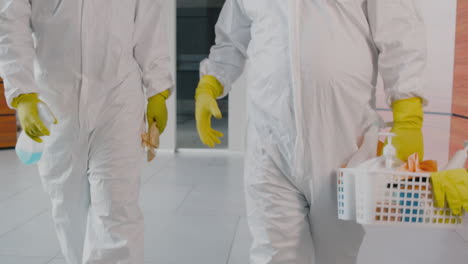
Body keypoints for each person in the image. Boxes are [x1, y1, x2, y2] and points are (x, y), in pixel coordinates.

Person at [195, 0, 426, 263]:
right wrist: (211, 82)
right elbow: (232, 37)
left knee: (337, 254)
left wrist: (408, 113)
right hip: (270, 141)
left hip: (344, 144)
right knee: (275, 254)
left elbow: (399, 30)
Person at [0, 1, 173, 263]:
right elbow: (10, 21)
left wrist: (157, 90)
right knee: (68, 207)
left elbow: (149, 24)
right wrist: (22, 92)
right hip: (56, 101)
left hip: (118, 98)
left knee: (118, 208)